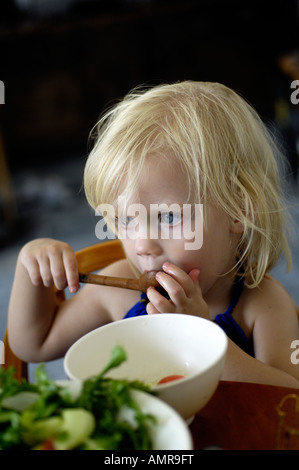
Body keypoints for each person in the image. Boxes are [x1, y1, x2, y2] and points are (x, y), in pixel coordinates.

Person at [7, 81, 299, 387]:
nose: (142, 245)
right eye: (126, 219)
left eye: (169, 217)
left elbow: (289, 398)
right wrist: (31, 269)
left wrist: (201, 336)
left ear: (239, 210)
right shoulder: (119, 291)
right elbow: (34, 345)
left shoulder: (261, 304)